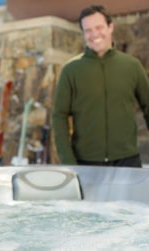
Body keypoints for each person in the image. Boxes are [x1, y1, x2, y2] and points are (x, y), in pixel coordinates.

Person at [52, 5, 149, 167]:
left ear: (110, 27)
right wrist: (69, 162)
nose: (94, 34)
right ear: (83, 34)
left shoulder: (132, 66)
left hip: (128, 161)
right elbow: (59, 116)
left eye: (99, 27)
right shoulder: (71, 70)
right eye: (88, 30)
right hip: (85, 163)